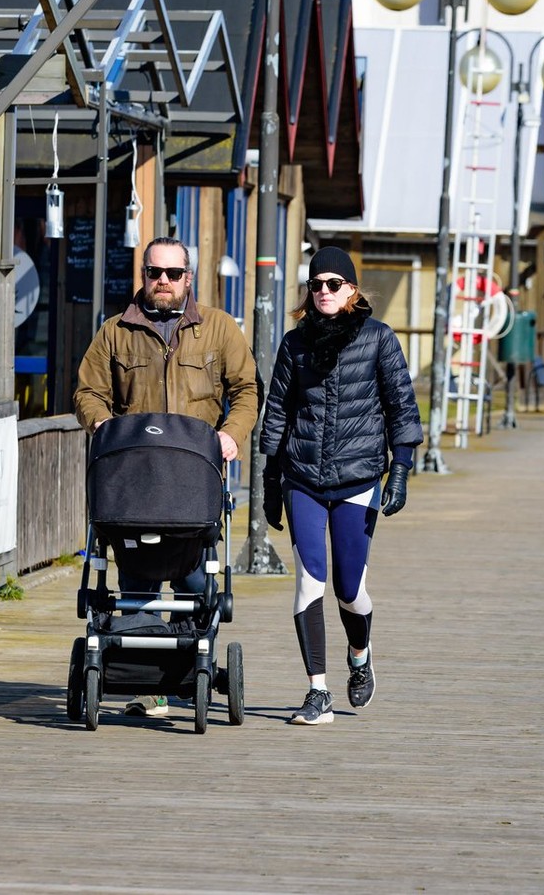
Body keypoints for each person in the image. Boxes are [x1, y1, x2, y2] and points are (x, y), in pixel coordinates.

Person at [73, 235, 259, 717]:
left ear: (188, 278)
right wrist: (102, 424)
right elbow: (87, 390)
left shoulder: (219, 330)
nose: (163, 281)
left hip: (194, 487)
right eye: (154, 272)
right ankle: (148, 686)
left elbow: (246, 390)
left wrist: (232, 434)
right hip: (135, 489)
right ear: (143, 276)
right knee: (137, 590)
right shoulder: (115, 332)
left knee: (199, 586)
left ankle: (189, 667)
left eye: (173, 274)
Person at [260, 247, 423, 726]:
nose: (325, 292)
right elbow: (277, 411)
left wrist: (401, 468)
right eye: (317, 285)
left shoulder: (379, 339)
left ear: (352, 289)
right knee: (310, 581)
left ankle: (360, 652)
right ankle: (318, 692)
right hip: (303, 478)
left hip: (358, 478)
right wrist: (271, 479)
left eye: (334, 284)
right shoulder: (294, 344)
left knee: (350, 588)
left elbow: (402, 407)